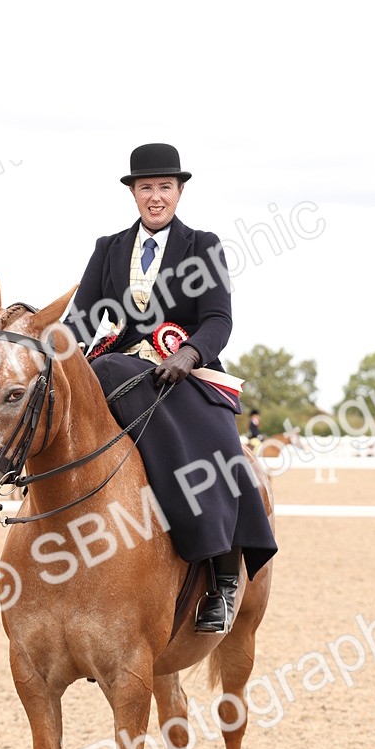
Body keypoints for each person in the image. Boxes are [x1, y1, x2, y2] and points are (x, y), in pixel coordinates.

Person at [63, 143, 277, 633]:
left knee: (220, 450)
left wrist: (189, 353)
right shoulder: (108, 249)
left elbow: (219, 318)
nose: (155, 197)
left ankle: (224, 578)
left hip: (182, 372)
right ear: (133, 194)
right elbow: (80, 320)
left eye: (164, 188)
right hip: (115, 369)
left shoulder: (203, 245)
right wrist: (54, 359)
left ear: (179, 192)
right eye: (145, 188)